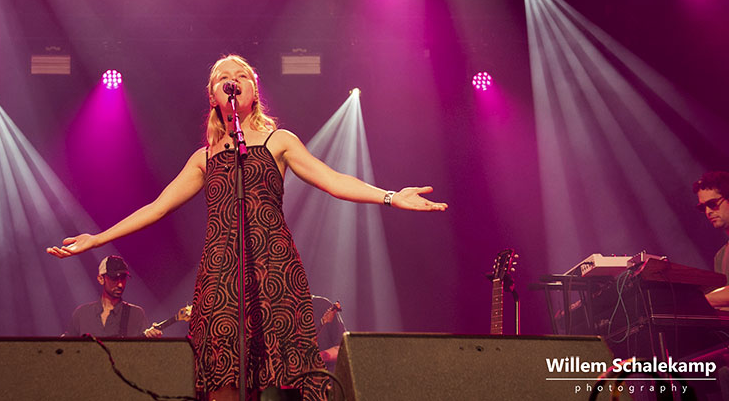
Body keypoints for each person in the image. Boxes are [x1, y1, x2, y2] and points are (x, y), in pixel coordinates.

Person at [48, 55, 447, 401]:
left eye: (240, 75)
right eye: (223, 76)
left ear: (253, 91)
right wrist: (97, 239)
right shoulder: (204, 158)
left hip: (274, 267)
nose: (232, 80)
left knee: (282, 372)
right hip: (222, 273)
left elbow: (332, 180)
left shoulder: (279, 141)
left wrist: (390, 196)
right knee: (223, 373)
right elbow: (157, 207)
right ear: (213, 96)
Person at [66, 255, 162, 338]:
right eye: (114, 278)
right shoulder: (82, 314)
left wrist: (153, 341)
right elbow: (66, 347)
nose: (120, 284)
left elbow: (143, 350)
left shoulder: (136, 314)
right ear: (101, 279)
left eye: (123, 278)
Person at [694, 171, 729, 309]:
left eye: (712, 204)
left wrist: (699, 301)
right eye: (703, 207)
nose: (708, 212)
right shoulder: (720, 256)